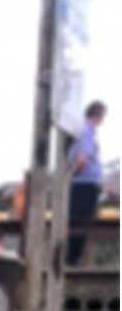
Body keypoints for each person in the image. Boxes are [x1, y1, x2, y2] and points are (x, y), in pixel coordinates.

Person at [68, 100, 105, 267]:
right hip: (85, 183)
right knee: (82, 225)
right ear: (98, 115)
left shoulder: (76, 131)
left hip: (78, 183)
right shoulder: (88, 131)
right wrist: (74, 173)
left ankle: (71, 259)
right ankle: (73, 261)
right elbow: (83, 159)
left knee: (75, 222)